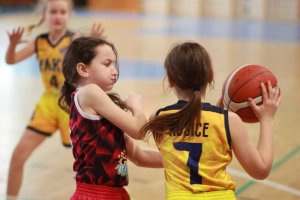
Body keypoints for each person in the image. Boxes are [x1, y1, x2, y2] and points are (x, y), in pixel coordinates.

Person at [139, 41, 282, 200]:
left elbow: (188, 134)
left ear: (170, 80)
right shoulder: (228, 120)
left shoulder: (160, 118)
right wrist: (267, 120)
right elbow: (260, 170)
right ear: (211, 76)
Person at [5, 0, 104, 199]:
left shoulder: (75, 40)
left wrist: (93, 43)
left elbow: (94, 62)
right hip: (47, 104)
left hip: (71, 104)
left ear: (68, 15)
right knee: (18, 156)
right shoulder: (39, 42)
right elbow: (11, 60)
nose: (58, 16)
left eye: (62, 12)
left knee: (89, 162)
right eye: (53, 12)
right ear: (45, 15)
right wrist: (13, 45)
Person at [58, 36, 163, 200]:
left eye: (114, 64)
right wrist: (137, 107)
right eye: (107, 64)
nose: (114, 71)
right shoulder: (89, 92)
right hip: (96, 195)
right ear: (83, 69)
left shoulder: (101, 118)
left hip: (115, 194)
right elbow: (139, 131)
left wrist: (186, 161)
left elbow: (140, 157)